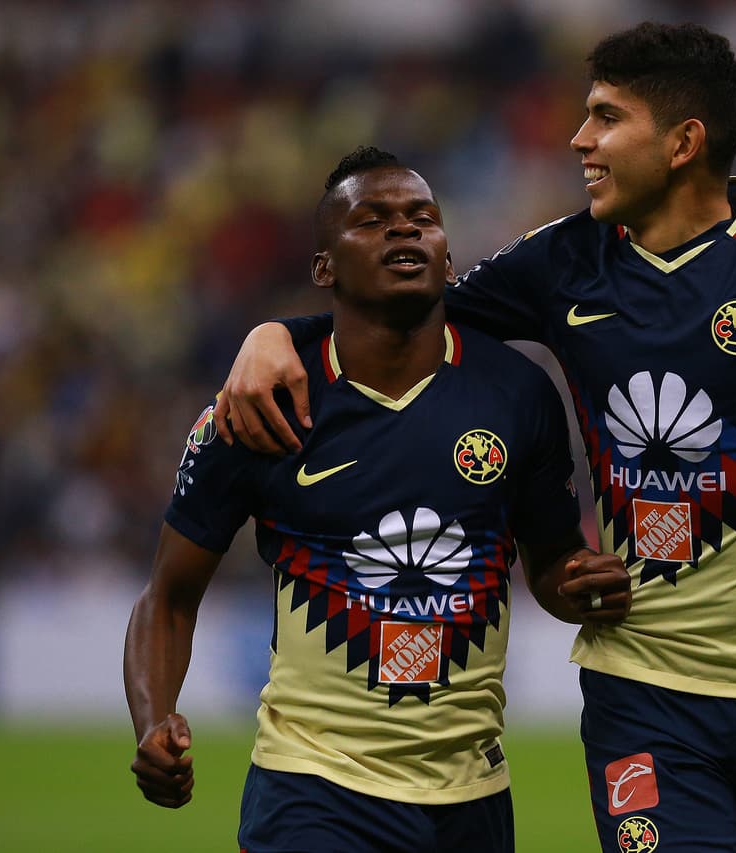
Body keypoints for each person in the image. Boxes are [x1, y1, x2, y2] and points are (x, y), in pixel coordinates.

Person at [212, 22, 736, 853]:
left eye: (607, 118)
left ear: (684, 141)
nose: (581, 139)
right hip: (640, 678)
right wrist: (279, 334)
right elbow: (400, 316)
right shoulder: (563, 263)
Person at [124, 146, 631, 853]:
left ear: (450, 259)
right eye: (372, 219)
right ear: (324, 267)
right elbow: (169, 596)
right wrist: (154, 719)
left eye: (423, 218)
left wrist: (576, 585)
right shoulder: (261, 403)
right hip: (312, 787)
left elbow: (550, 564)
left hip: (471, 795)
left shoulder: (518, 394)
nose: (404, 230)